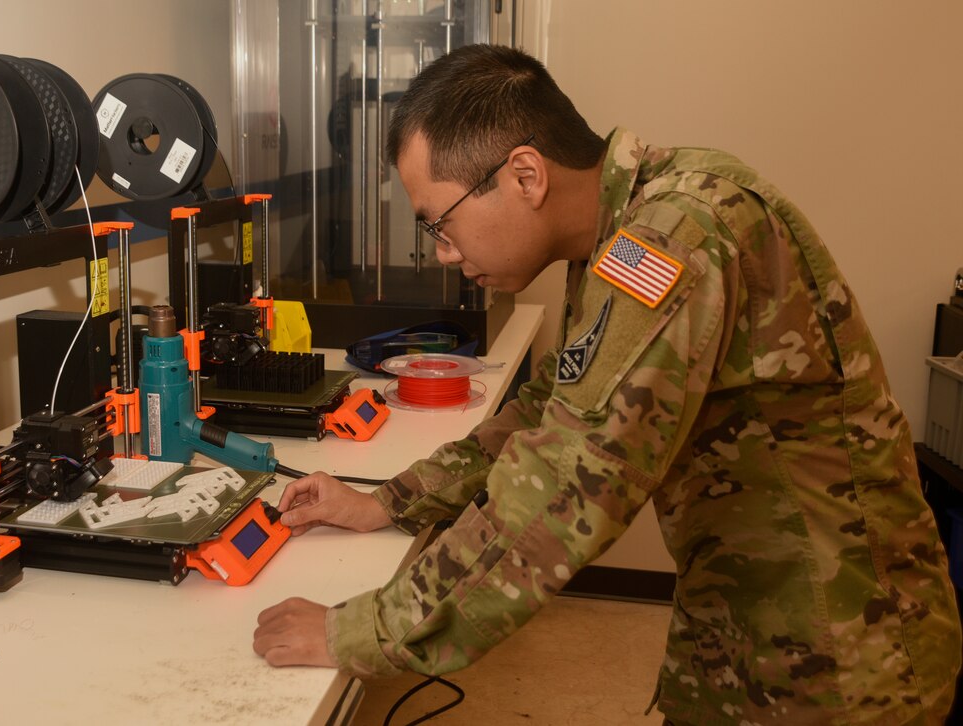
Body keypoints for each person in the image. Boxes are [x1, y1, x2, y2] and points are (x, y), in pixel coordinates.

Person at [252, 44, 962, 723]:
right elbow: (553, 407)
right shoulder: (625, 229)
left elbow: (568, 479)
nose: (443, 254)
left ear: (525, 176)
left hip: (837, 662)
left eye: (440, 224)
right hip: (749, 634)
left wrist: (366, 630)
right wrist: (393, 502)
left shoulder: (676, 233)